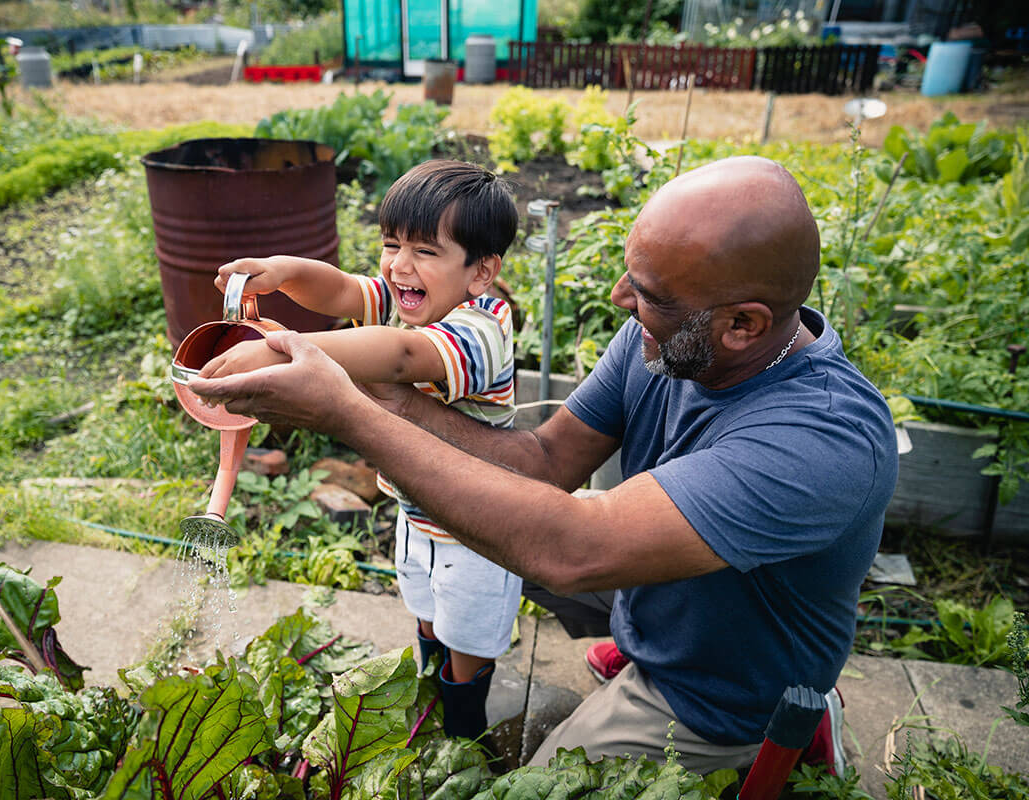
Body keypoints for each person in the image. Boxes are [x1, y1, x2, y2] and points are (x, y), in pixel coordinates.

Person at [188, 156, 899, 774]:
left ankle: (793, 730)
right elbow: (543, 463)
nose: (622, 301)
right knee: (493, 541)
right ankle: (627, 638)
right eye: (632, 276)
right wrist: (358, 386)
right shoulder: (662, 340)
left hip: (718, 688)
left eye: (649, 295)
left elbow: (571, 549)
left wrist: (342, 405)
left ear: (743, 324)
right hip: (649, 589)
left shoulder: (821, 438)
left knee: (541, 777)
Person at [198, 159, 522, 743]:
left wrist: (281, 352)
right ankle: (430, 693)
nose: (400, 265)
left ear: (481, 272)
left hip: (481, 528)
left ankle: (465, 733)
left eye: (425, 251)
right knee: (425, 611)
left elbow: (401, 356)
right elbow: (343, 289)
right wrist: (283, 272)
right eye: (391, 244)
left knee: (468, 638)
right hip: (416, 513)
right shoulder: (407, 299)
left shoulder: (482, 330)